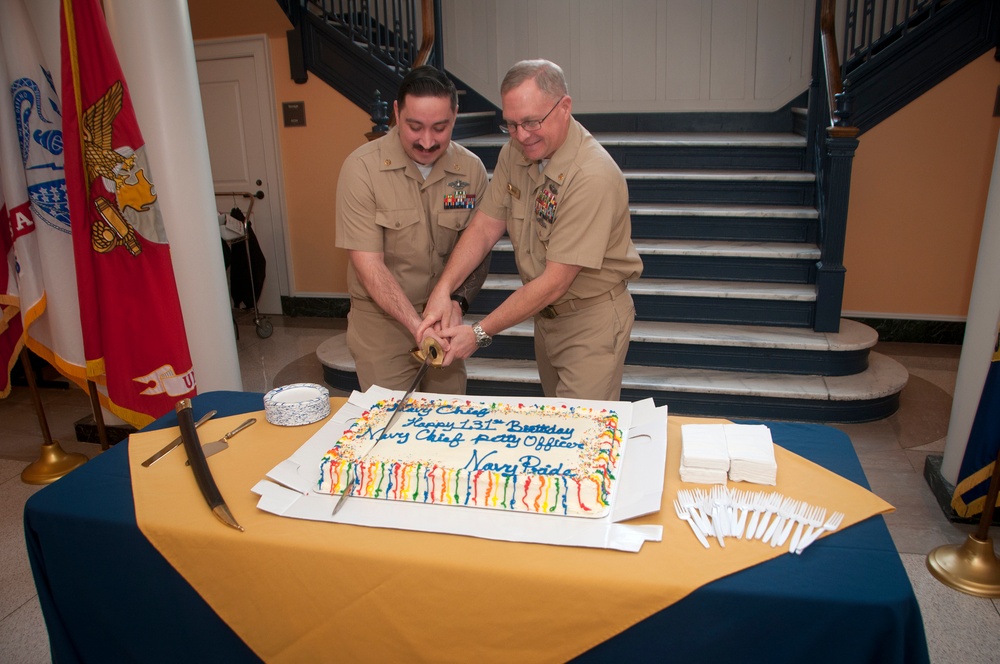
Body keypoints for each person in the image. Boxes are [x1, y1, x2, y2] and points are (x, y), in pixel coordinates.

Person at [418, 59, 642, 401]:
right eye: (511, 124)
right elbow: (484, 227)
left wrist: (478, 333)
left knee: (580, 435)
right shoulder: (517, 151)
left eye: (532, 121)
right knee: (554, 424)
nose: (522, 135)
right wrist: (443, 290)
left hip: (590, 322)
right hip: (546, 319)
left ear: (564, 107)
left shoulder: (591, 176)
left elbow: (555, 282)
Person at [336, 66, 489, 392]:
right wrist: (418, 325)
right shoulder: (362, 169)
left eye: (440, 127)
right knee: (390, 429)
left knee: (447, 425)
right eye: (415, 126)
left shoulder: (470, 169)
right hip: (383, 324)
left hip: (445, 321)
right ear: (396, 112)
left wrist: (457, 303)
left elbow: (478, 248)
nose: (427, 141)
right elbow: (368, 264)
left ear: (455, 115)